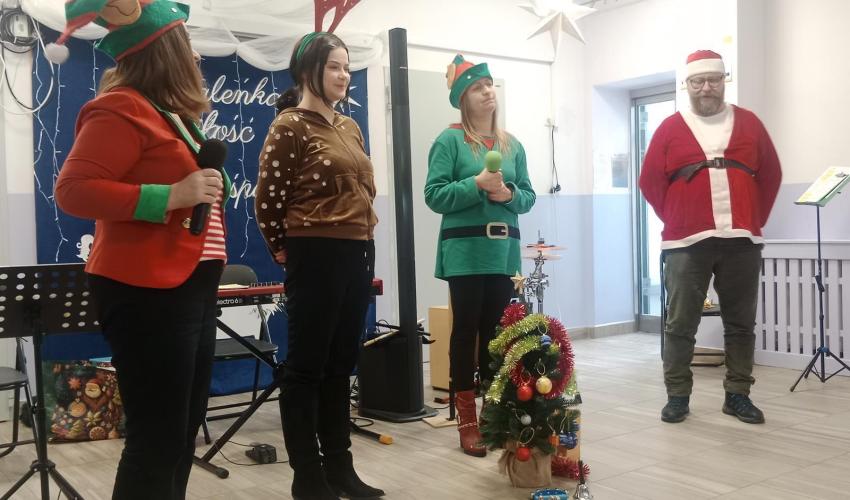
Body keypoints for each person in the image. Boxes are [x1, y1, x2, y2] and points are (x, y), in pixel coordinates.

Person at [54, 1, 229, 498]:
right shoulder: (121, 107)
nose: (197, 58)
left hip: (191, 283)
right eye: (188, 46)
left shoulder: (173, 117)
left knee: (182, 430)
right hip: (147, 287)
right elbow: (73, 190)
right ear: (165, 51)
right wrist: (170, 196)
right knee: (158, 436)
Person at [255, 32, 383, 500]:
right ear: (308, 70)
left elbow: (362, 190)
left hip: (357, 249)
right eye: (334, 66)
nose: (344, 75)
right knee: (306, 367)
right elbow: (268, 200)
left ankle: (340, 469)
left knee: (340, 365)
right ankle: (307, 477)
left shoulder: (349, 126)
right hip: (314, 251)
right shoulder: (289, 125)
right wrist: (284, 248)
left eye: (347, 67)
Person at [639, 50, 781, 425]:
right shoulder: (670, 128)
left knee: (741, 323)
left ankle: (738, 395)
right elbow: (650, 181)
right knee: (680, 324)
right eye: (698, 81)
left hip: (741, 240)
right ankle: (677, 396)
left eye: (713, 80)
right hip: (685, 243)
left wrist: (752, 219)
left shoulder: (749, 123)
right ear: (687, 85)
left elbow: (771, 175)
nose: (706, 88)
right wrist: (677, 217)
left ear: (723, 81)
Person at [424, 55, 536, 457]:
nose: (487, 91)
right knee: (465, 332)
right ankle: (466, 422)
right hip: (465, 252)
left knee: (496, 336)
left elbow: (528, 196)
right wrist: (476, 183)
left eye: (489, 84)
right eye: (476, 87)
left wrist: (508, 194)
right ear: (462, 98)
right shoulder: (449, 141)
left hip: (503, 253)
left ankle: (493, 415)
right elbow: (434, 195)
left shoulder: (513, 145)